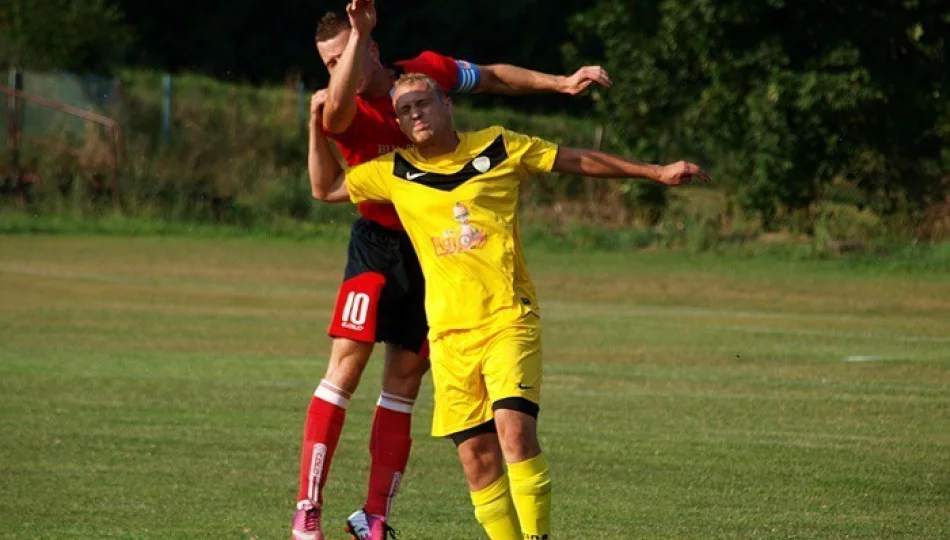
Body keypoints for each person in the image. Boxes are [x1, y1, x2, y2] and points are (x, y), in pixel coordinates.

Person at [309, 72, 710, 540]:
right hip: (448, 337)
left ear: (447, 105)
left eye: (423, 103)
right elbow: (326, 187)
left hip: (507, 318)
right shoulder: (395, 171)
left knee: (514, 433)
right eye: (405, 110)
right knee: (477, 462)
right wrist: (315, 126)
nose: (415, 113)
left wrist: (655, 172)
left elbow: (573, 160)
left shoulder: (498, 146)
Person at [292, 1, 614, 539]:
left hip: (437, 255)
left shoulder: (425, 76)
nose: (333, 73)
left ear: (371, 50)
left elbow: (489, 77)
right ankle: (308, 512)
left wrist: (559, 82)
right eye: (326, 64)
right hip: (377, 245)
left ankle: (374, 518)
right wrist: (350, 52)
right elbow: (327, 167)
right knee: (345, 368)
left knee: (403, 383)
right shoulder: (342, 110)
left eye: (341, 57)